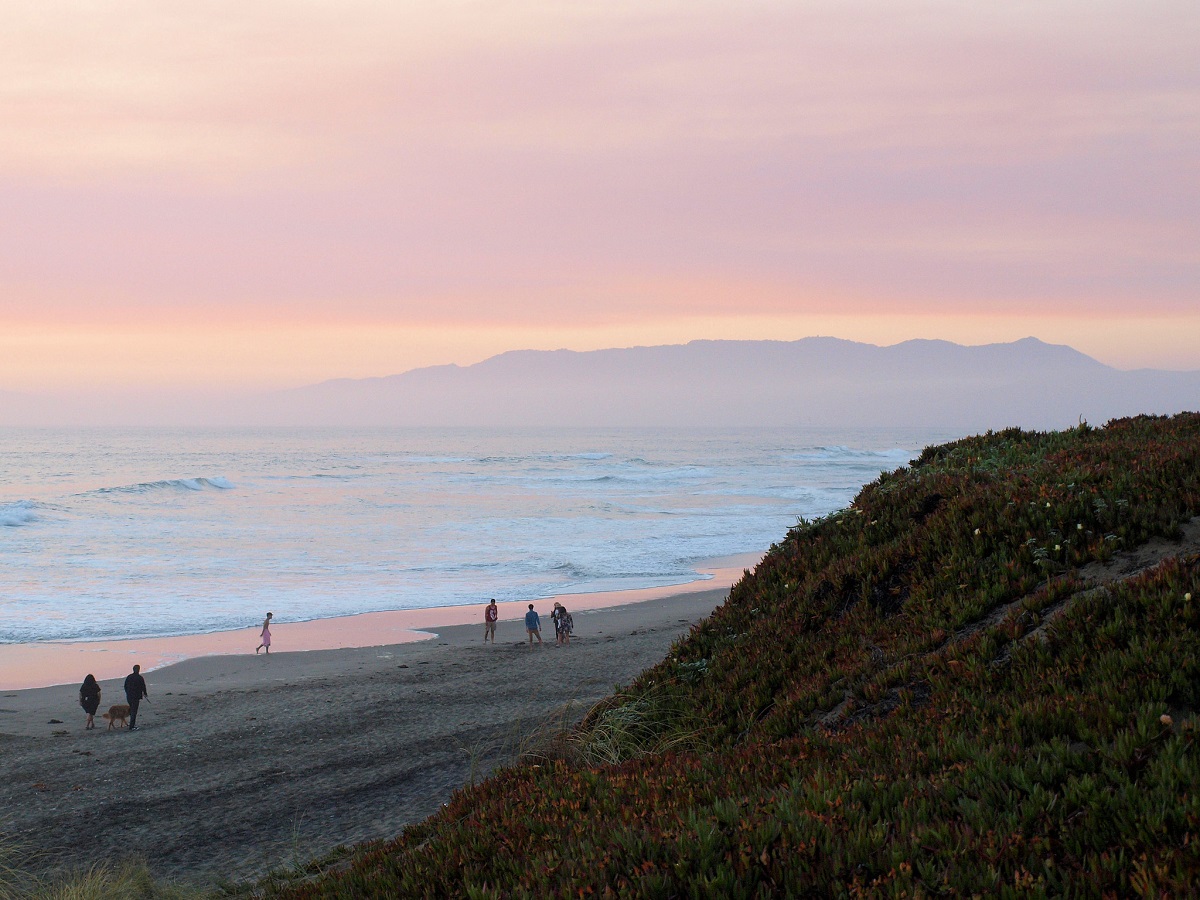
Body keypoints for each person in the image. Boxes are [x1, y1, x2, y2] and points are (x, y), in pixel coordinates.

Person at [124, 664, 148, 731]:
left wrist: (127, 693)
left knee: (132, 710)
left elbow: (125, 686)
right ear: (138, 670)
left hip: (129, 696)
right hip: (136, 697)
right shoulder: (140, 678)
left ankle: (131, 724)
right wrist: (145, 694)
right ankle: (132, 726)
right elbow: (143, 686)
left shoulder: (129, 677)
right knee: (134, 711)